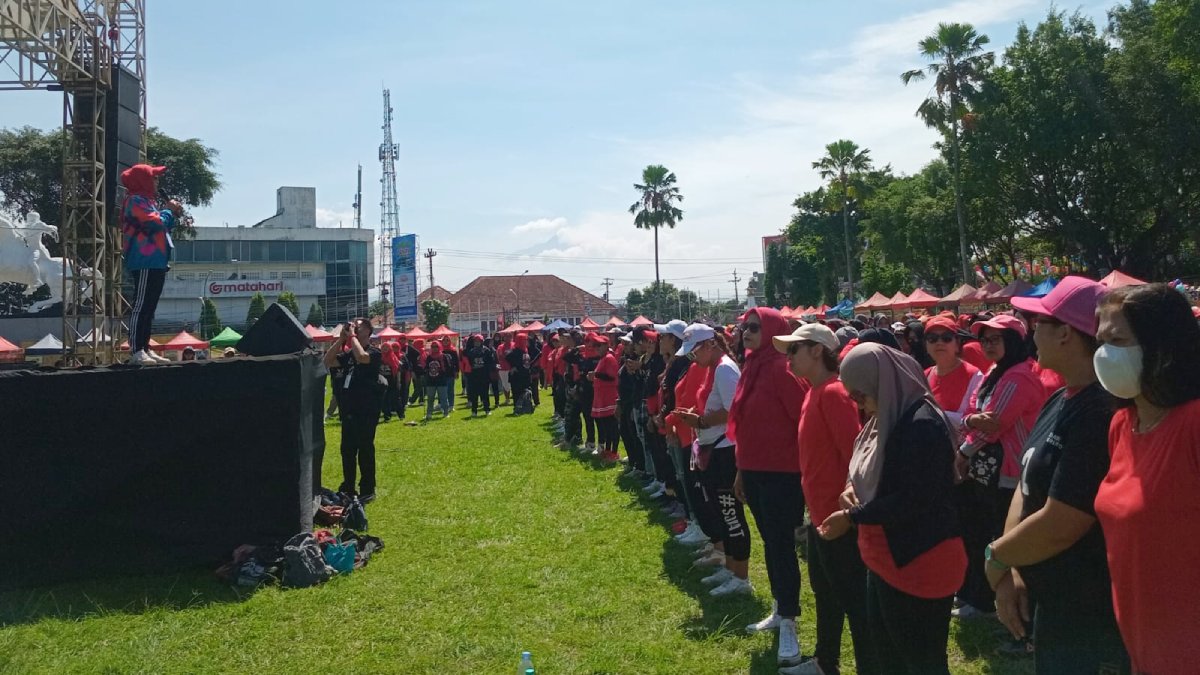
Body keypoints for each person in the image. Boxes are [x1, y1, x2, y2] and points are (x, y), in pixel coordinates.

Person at [979, 277, 1128, 673]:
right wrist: (1013, 567)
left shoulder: (1102, 411)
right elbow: (1026, 489)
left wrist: (996, 557)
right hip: (1051, 602)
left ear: (1065, 333)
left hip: (1086, 610)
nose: (1030, 331)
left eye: (1038, 322)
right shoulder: (1059, 399)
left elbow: (1065, 521)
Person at [820, 343, 966, 675]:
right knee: (890, 660)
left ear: (882, 384)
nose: (859, 404)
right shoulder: (887, 414)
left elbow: (915, 499)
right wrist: (850, 491)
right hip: (887, 558)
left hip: (921, 561)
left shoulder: (921, 424)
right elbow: (866, 468)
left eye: (861, 395)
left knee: (922, 663)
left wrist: (853, 516)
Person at [1094, 283, 1200, 674]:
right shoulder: (1123, 425)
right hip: (1144, 645)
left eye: (1118, 339)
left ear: (1164, 345)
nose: (1104, 353)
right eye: (1100, 340)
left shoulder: (1194, 423)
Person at [775, 324, 878, 675]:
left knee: (855, 603)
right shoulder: (813, 392)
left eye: (794, 350)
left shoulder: (833, 393)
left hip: (840, 519)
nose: (788, 357)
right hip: (819, 515)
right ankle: (825, 662)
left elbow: (856, 456)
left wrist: (847, 514)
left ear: (817, 350)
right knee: (825, 593)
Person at [722, 308, 810, 669]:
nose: (747, 333)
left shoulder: (781, 369)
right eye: (745, 327)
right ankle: (779, 608)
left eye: (755, 328)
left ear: (774, 331)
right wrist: (741, 471)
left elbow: (803, 424)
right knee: (771, 545)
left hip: (783, 475)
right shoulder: (751, 367)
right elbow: (744, 425)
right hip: (755, 472)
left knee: (781, 546)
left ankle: (788, 621)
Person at [954, 314, 1045, 619]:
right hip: (991, 469)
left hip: (1010, 471)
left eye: (996, 339)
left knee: (1002, 537)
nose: (987, 345)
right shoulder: (995, 371)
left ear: (1014, 342)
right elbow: (973, 411)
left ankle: (1011, 607)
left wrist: (964, 451)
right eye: (984, 339)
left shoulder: (1018, 375)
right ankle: (987, 599)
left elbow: (994, 423)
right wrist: (970, 421)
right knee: (985, 532)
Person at [673, 324, 751, 600]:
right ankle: (730, 567)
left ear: (709, 345)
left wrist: (702, 420)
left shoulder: (724, 368)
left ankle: (741, 577)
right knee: (720, 512)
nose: (692, 358)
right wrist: (698, 414)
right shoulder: (712, 368)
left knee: (731, 516)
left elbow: (734, 411)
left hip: (725, 451)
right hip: (713, 448)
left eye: (694, 351)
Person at [121, 164, 183, 366]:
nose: (157, 182)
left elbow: (161, 226)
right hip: (144, 260)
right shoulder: (135, 201)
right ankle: (136, 350)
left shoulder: (148, 202)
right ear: (143, 180)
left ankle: (145, 348)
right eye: (154, 178)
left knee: (150, 307)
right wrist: (168, 211)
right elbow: (154, 224)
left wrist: (170, 214)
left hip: (156, 260)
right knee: (141, 306)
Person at [323, 318, 383, 501]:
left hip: (366, 409)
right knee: (347, 451)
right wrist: (341, 340)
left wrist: (353, 338)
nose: (355, 328)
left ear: (369, 331)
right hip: (349, 409)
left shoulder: (374, 351)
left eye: (360, 326)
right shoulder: (349, 353)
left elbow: (362, 357)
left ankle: (367, 488)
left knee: (365, 449)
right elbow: (328, 361)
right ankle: (348, 486)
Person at [923, 316, 983, 427]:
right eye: (932, 338)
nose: (939, 343)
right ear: (926, 346)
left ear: (957, 344)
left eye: (946, 338)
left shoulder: (975, 376)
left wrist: (936, 415)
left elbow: (977, 419)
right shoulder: (924, 376)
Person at [588, 334, 620, 463]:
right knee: (606, 426)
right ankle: (607, 450)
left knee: (612, 426)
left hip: (609, 396)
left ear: (606, 345)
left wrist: (596, 374)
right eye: (595, 346)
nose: (597, 348)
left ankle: (613, 452)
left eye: (599, 345)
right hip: (602, 397)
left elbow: (612, 377)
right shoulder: (602, 359)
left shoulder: (609, 358)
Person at [463, 334, 496, 417]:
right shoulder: (471, 351)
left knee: (485, 394)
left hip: (484, 376)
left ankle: (487, 409)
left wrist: (488, 371)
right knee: (474, 395)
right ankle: (474, 411)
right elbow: (470, 363)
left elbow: (490, 362)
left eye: (478, 341)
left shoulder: (486, 351)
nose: (477, 343)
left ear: (481, 342)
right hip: (474, 376)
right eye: (475, 341)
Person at [422, 341, 453, 421]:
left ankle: (446, 413)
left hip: (441, 381)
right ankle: (429, 414)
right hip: (431, 381)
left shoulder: (444, 356)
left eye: (436, 346)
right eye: (433, 347)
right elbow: (426, 368)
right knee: (430, 398)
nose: (434, 348)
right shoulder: (429, 357)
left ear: (439, 347)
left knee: (443, 397)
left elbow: (448, 368)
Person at [441, 337, 459, 411]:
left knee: (450, 390)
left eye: (447, 340)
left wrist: (457, 372)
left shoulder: (453, 351)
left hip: (451, 373)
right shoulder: (440, 350)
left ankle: (451, 405)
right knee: (443, 390)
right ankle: (443, 405)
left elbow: (456, 362)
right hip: (442, 373)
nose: (446, 341)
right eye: (444, 340)